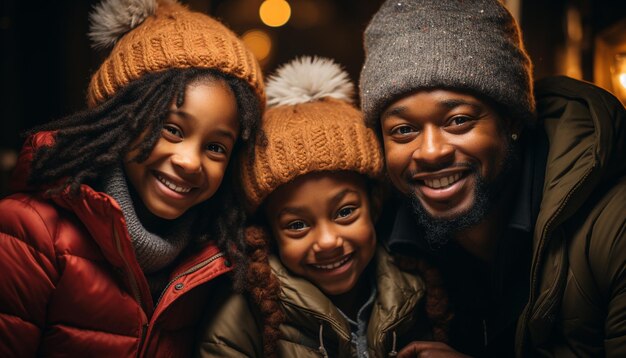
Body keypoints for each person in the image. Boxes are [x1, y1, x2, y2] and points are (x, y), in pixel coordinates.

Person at [359, 0, 626, 357]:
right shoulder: (378, 242)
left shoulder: (614, 227)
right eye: (404, 130)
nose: (431, 151)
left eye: (458, 120)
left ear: (512, 119)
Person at [0, 0, 264, 356]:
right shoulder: (29, 234)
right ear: (122, 119)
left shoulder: (217, 261)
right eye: (171, 129)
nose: (189, 161)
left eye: (216, 148)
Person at [197, 57, 452, 357]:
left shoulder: (421, 290)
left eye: (345, 212)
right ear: (267, 232)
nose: (328, 241)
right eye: (297, 225)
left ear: (375, 205)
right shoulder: (243, 315)